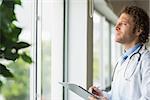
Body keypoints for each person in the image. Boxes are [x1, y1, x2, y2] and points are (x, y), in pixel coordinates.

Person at [88, 5, 150, 100]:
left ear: (138, 30)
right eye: (117, 23)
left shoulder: (146, 59)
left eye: (123, 23)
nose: (116, 27)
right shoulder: (122, 60)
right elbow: (116, 95)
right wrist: (101, 95)